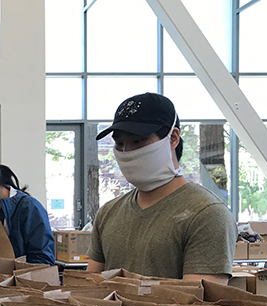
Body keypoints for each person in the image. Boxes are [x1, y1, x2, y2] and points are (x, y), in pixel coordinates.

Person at [87, 92, 236, 283]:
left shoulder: (206, 214)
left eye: (138, 141)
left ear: (173, 138)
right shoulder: (108, 213)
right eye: (120, 143)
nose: (127, 152)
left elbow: (198, 302)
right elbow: (91, 287)